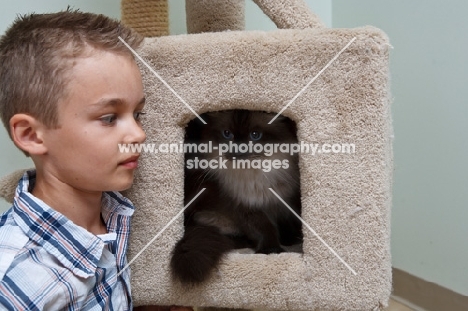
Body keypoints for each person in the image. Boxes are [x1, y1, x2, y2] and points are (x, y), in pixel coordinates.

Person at [0, 9, 192, 311]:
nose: (139, 134)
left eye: (137, 114)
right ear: (31, 135)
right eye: (109, 117)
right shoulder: (20, 284)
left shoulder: (111, 215)